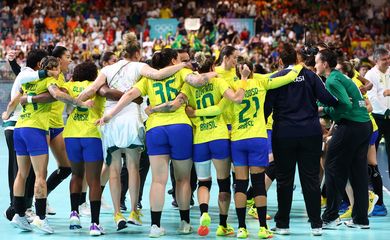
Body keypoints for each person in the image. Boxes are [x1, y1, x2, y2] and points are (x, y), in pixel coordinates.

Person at [77, 33, 200, 232]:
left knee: (114, 169)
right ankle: (136, 211)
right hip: (137, 119)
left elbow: (92, 89)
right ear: (136, 53)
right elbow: (159, 75)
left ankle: (119, 214)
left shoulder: (107, 69)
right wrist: (184, 66)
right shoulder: (140, 67)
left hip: (113, 119)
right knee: (135, 168)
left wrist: (75, 102)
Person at [96, 48, 216, 238]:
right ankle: (185, 223)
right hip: (180, 128)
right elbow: (197, 82)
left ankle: (155, 226)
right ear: (174, 60)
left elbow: (128, 96)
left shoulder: (147, 79)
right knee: (183, 178)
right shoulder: (182, 72)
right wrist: (215, 72)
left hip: (155, 131)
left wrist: (110, 114)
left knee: (158, 180)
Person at [190, 60, 303, 239]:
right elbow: (287, 77)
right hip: (258, 138)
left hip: (237, 140)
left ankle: (241, 228)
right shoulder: (261, 82)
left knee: (240, 184)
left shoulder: (232, 87)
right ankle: (262, 228)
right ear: (252, 70)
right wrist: (299, 66)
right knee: (258, 184)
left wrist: (195, 113)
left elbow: (217, 110)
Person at [2, 55, 93, 234]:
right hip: (36, 130)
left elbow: (13, 102)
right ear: (54, 68)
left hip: (20, 128)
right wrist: (81, 103)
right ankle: (41, 219)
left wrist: (6, 114)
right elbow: (57, 95)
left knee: (21, 174)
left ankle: (19, 215)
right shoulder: (49, 80)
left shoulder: (29, 81)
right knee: (40, 176)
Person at [264, 43, 338, 236]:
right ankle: (316, 225)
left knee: (284, 179)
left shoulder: (275, 78)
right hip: (310, 133)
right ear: (297, 60)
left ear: (280, 61)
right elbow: (327, 98)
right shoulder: (310, 76)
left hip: (284, 134)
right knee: (311, 179)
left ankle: (283, 224)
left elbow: (266, 108)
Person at [316, 49, 372, 229]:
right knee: (358, 172)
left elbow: (345, 105)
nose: (315, 65)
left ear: (325, 64)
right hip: (364, 125)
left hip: (350, 125)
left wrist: (325, 110)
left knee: (331, 166)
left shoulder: (332, 79)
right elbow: (350, 101)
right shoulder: (341, 76)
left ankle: (331, 216)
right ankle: (361, 219)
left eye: (317, 61)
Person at [64, 62, 105, 236]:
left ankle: (74, 214)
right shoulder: (96, 86)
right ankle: (95, 224)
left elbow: (63, 102)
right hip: (91, 134)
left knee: (76, 175)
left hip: (71, 134)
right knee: (94, 179)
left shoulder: (68, 86)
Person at [366, 48, 390, 182]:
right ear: (376, 60)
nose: (387, 61)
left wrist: (387, 93)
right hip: (377, 119)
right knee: (371, 155)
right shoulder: (370, 75)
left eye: (388, 58)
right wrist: (386, 109)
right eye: (384, 59)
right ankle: (370, 186)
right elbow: (372, 98)